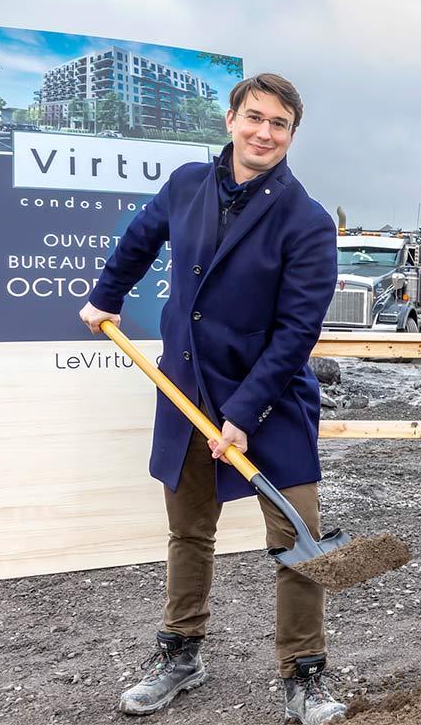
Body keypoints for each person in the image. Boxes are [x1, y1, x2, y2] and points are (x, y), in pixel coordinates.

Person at [78, 74, 345, 724]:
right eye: (255, 117)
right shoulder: (186, 186)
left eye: (279, 124)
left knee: (298, 533)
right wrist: (106, 297)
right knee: (188, 529)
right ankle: (180, 653)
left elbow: (295, 334)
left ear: (291, 135)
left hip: (271, 398)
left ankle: (303, 675)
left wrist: (243, 416)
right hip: (187, 384)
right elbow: (139, 240)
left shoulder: (306, 221)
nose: (264, 132)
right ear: (231, 119)